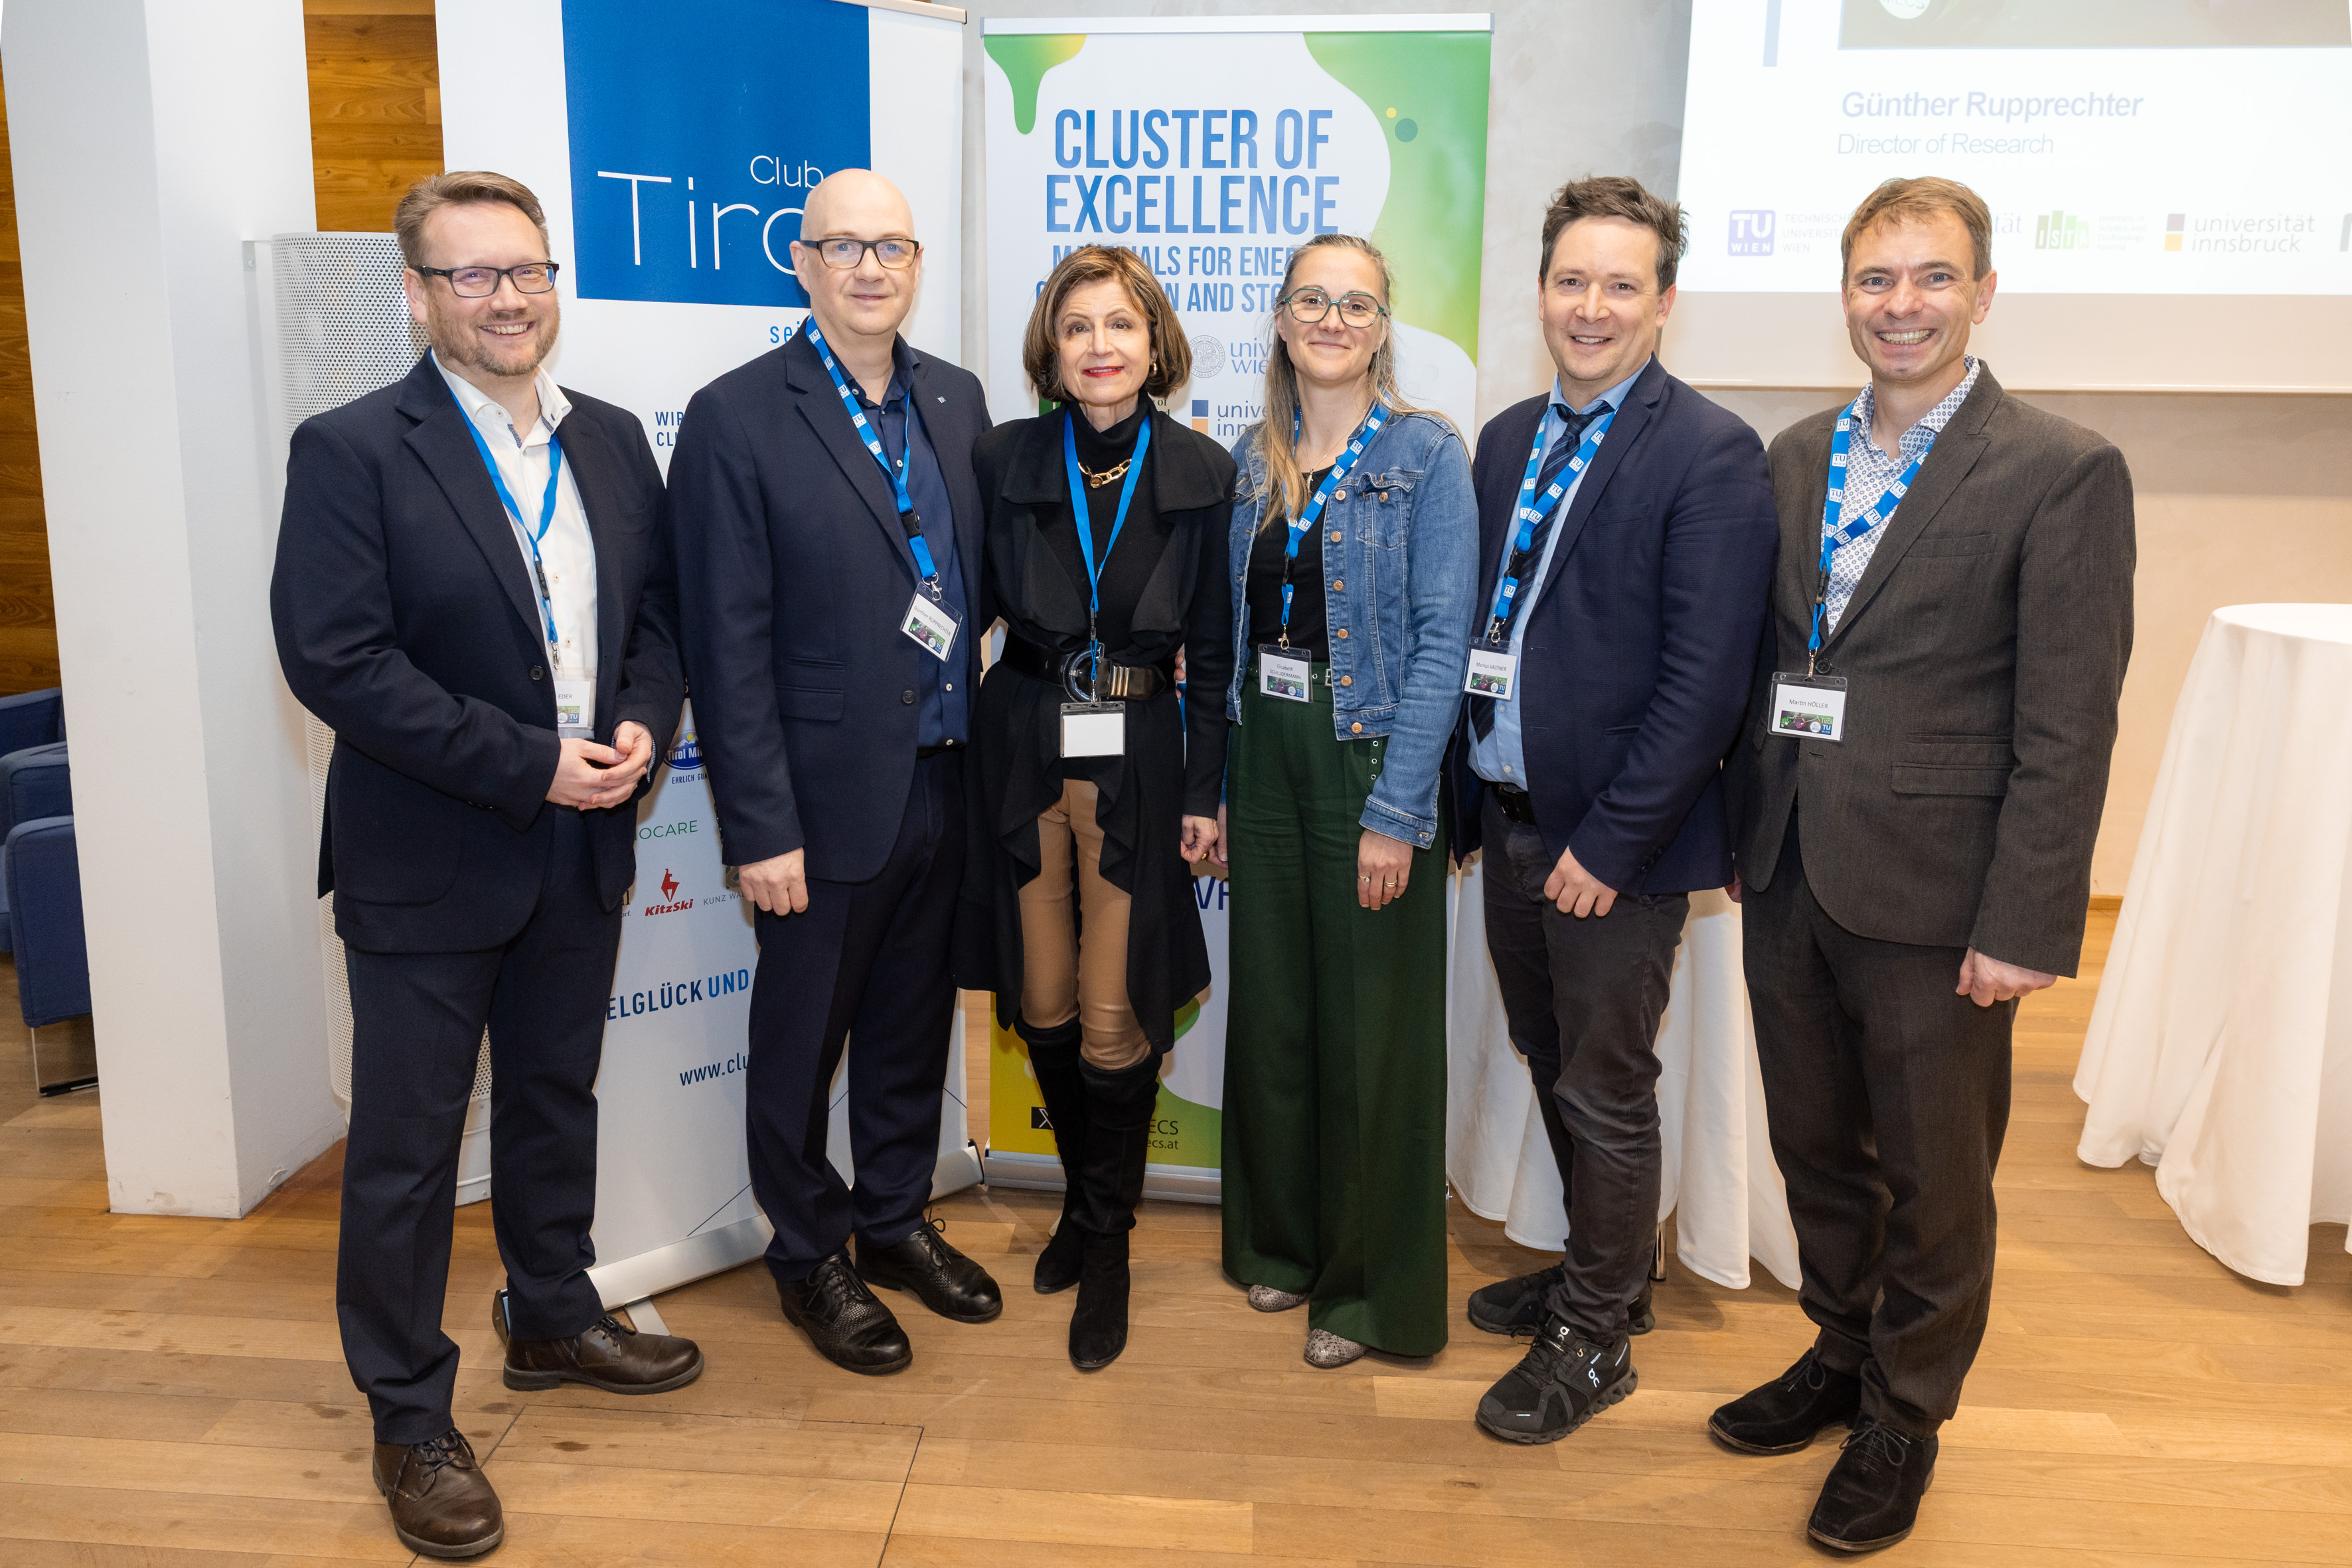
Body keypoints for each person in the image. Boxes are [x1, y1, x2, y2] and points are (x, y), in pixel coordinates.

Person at [272, 170, 701, 1561]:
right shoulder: (352, 449)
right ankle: (409, 1416)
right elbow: (336, 660)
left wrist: (641, 721)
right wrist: (529, 760)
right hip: (431, 857)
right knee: (405, 1153)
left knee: (553, 1099)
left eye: (526, 270)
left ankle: (554, 1313)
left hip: (583, 841)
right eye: (472, 275)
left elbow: (657, 617)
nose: (507, 298)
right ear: (417, 295)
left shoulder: (613, 440)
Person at [1715, 175, 2134, 1552]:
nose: (1901, 305)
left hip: (1941, 893)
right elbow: (1768, 668)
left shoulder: (2059, 469)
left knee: (1935, 1176)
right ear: (1844, 295)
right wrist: (1738, 831)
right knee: (1814, 1146)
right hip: (1789, 865)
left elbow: (2068, 724)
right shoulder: (1793, 456)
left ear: (1984, 292)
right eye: (1875, 278)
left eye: (1932, 277)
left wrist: (2025, 919)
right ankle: (1841, 1348)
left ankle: (1906, 1411)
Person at [1449, 176, 1777, 1444]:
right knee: (1552, 1059)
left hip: (1611, 849)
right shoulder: (1505, 439)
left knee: (1605, 1086)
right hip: (1511, 817)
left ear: (1665, 301)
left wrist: (1610, 844)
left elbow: (1705, 685)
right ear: (1541, 290)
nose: (1592, 307)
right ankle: (1611, 1271)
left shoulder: (1709, 452)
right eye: (1572, 280)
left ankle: (1595, 1336)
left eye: (1622, 285)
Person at [668, 171, 1001, 1377]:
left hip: (946, 775)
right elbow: (725, 641)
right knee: (803, 1040)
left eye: (891, 247)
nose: (870, 268)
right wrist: (760, 826)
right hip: (815, 800)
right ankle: (808, 1247)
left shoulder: (956, 398)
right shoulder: (738, 414)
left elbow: (976, 582)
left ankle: (895, 1216)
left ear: (916, 264)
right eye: (844, 247)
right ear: (802, 264)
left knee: (912, 1022)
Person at [955, 245, 1234, 1371]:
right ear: (1052, 349)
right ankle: (1083, 1200)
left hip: (1142, 762)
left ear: (1154, 341)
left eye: (1120, 324)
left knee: (1117, 1018)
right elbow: (962, 605)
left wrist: (1206, 792)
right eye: (1078, 327)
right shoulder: (1002, 457)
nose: (1100, 346)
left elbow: (1213, 657)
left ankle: (1107, 1242)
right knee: (1044, 1003)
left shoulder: (1204, 471)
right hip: (1022, 748)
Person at [1214, 234, 1477, 1369]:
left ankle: (1370, 1293)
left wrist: (1398, 810)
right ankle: (1281, 1242)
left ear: (1382, 325)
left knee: (1374, 1030)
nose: (1333, 319)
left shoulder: (1428, 455)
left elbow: (1441, 644)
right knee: (1274, 1009)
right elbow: (1226, 636)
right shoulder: (1250, 459)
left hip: (1367, 755)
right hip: (1261, 750)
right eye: (1313, 300)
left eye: (1357, 303)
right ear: (1281, 318)